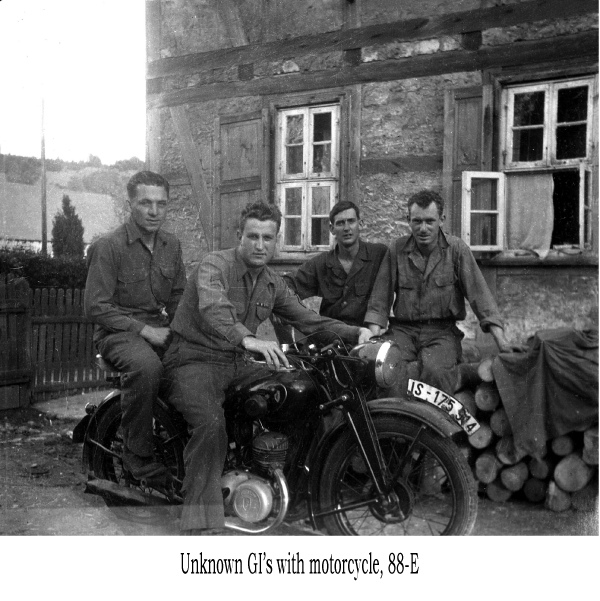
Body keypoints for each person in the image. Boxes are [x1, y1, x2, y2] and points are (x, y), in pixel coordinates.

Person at [162, 201, 373, 535]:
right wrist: (248, 339)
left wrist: (354, 332)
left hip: (235, 361)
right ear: (239, 236)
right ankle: (201, 524)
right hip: (192, 359)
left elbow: (307, 319)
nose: (261, 245)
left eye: (268, 238)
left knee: (300, 390)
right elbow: (213, 307)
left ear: (276, 240)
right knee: (210, 424)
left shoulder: (272, 282)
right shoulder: (214, 265)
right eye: (253, 236)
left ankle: (283, 490)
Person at [84, 171, 186, 480]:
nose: (155, 212)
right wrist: (143, 330)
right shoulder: (109, 246)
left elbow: (179, 296)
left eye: (161, 204)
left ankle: (188, 445)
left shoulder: (171, 244)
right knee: (146, 367)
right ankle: (136, 456)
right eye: (146, 203)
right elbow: (96, 307)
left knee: (201, 359)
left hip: (159, 327)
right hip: (117, 333)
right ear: (131, 204)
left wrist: (188, 331)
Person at [364, 189, 511, 398]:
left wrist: (502, 342)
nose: (423, 228)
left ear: (441, 220)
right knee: (387, 370)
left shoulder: (457, 250)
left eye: (430, 221)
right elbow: (379, 300)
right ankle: (394, 425)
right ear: (408, 220)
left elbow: (481, 297)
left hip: (442, 333)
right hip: (403, 331)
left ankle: (432, 428)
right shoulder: (397, 249)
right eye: (417, 221)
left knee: (437, 372)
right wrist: (372, 337)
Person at [284, 200, 387, 327]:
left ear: (360, 224)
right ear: (332, 229)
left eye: (351, 221)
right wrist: (286, 309)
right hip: (332, 336)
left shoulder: (378, 255)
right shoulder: (322, 263)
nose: (346, 228)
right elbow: (287, 284)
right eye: (340, 223)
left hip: (367, 335)